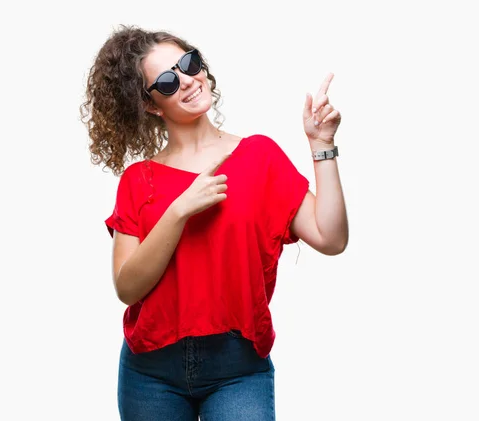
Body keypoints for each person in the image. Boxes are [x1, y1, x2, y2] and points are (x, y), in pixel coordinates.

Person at [80, 25, 348, 421]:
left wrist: (322, 146)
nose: (188, 81)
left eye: (190, 63)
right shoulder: (139, 180)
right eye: (169, 81)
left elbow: (331, 238)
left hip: (238, 369)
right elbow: (127, 287)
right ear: (152, 105)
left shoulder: (259, 156)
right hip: (151, 373)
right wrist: (177, 212)